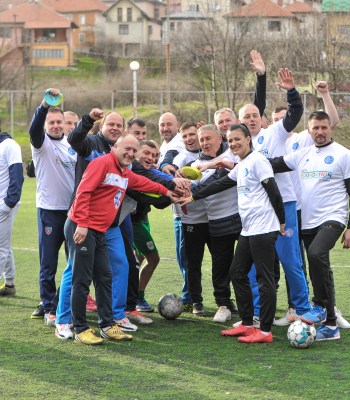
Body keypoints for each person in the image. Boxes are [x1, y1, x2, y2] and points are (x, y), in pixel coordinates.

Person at [179, 124, 285, 343]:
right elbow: (221, 183)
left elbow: (274, 192)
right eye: (231, 140)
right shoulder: (242, 164)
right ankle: (247, 323)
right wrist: (194, 197)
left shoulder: (258, 161)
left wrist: (281, 221)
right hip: (249, 229)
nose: (234, 143)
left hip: (264, 228)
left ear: (248, 138)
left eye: (238, 139)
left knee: (264, 279)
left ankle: (264, 330)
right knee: (237, 272)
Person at [65, 134, 175, 345]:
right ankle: (80, 328)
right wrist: (82, 223)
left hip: (99, 231)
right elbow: (83, 192)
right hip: (83, 227)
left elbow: (143, 183)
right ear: (115, 146)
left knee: (105, 278)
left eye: (134, 151)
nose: (131, 153)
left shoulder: (124, 172)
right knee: (81, 280)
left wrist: (168, 191)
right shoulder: (102, 163)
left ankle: (107, 326)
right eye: (127, 148)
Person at [237, 68, 311, 325]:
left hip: (284, 205)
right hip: (257, 212)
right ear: (242, 123)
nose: (252, 119)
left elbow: (295, 114)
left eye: (256, 115)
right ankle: (257, 314)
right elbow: (222, 168)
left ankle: (302, 310)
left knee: (291, 261)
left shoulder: (274, 133)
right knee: (256, 266)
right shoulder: (239, 146)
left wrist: (291, 91)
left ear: (262, 118)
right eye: (247, 116)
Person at [270, 111, 350, 341]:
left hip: (333, 218)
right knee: (320, 267)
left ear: (330, 129)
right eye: (315, 128)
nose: (320, 132)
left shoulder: (343, 155)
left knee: (316, 254)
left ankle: (320, 305)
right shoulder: (302, 154)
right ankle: (331, 325)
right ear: (309, 130)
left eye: (324, 127)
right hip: (307, 221)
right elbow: (273, 164)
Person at [29, 88, 77, 320]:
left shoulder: (71, 145)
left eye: (60, 122)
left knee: (74, 263)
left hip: (72, 213)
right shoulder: (41, 144)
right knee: (48, 264)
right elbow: (34, 128)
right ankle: (48, 306)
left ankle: (62, 302)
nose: (57, 125)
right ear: (46, 124)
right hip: (49, 212)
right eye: (52, 122)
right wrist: (45, 106)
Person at [0, 131, 24, 296]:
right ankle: (9, 284)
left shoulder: (9, 145)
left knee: (0, 247)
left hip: (4, 204)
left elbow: (17, 175)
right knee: (4, 245)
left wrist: (8, 203)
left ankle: (9, 284)